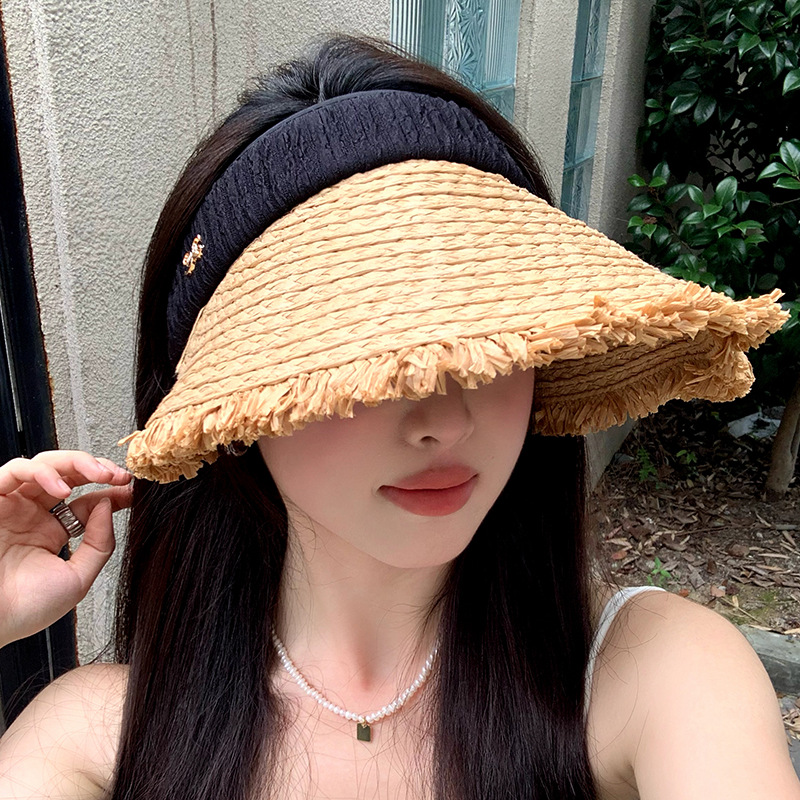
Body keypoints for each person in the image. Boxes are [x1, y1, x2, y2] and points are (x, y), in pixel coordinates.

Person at [0, 33, 797, 800]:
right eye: (362, 356)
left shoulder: (652, 677)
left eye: (486, 340)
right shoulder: (100, 737)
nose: (444, 420)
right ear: (236, 410)